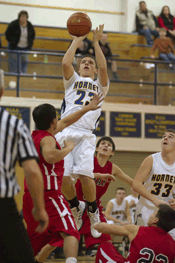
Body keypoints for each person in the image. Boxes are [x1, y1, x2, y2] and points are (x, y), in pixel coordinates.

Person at [22, 94, 103, 263]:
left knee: (39, 241)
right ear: (53, 120)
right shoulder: (47, 139)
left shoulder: (32, 136)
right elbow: (50, 156)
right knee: (72, 232)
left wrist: (88, 108)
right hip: (48, 195)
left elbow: (67, 122)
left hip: (30, 197)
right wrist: (68, 148)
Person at [33, 136, 133, 262]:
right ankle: (37, 261)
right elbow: (73, 173)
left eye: (109, 145)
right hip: (76, 206)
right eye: (103, 143)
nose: (106, 145)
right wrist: (97, 175)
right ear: (96, 148)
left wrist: (145, 187)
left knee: (105, 239)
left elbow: (132, 182)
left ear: (112, 152)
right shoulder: (88, 160)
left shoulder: (113, 168)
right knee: (56, 241)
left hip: (94, 209)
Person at [55, 24, 109, 239]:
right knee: (65, 179)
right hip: (66, 130)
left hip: (86, 134)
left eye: (90, 63)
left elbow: (104, 69)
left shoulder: (100, 86)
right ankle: (76, 206)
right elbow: (65, 62)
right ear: (79, 68)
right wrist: (77, 39)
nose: (87, 63)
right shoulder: (72, 81)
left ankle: (93, 210)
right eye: (84, 62)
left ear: (94, 70)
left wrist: (95, 42)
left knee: (86, 176)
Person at [0, 69, 49, 263]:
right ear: (2, 91)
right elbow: (32, 171)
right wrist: (39, 209)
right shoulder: (14, 124)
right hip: (3, 208)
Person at [94, 204, 175, 263]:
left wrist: (93, 224)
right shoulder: (172, 243)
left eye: (153, 212)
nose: (151, 214)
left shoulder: (137, 230)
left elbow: (102, 228)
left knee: (105, 246)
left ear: (155, 220)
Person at [133, 129, 175, 240]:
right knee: (143, 244)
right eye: (163, 136)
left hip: (167, 211)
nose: (165, 138)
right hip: (146, 208)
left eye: (170, 136)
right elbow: (136, 184)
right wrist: (155, 201)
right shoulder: (151, 160)